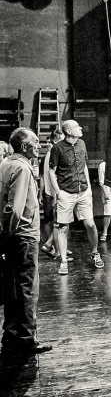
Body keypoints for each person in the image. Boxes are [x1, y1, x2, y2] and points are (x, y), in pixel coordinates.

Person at [0, 128, 52, 355]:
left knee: (13, 287)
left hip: (13, 235)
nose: (38, 146)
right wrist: (8, 234)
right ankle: (25, 338)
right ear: (24, 146)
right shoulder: (22, 168)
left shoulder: (6, 163)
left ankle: (11, 334)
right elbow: (15, 208)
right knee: (28, 288)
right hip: (23, 236)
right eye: (35, 142)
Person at [48, 120, 104, 275]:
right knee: (63, 228)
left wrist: (89, 187)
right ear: (68, 131)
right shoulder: (57, 148)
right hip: (66, 192)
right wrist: (58, 192)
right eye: (76, 127)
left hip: (83, 191)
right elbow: (52, 171)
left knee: (91, 224)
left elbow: (83, 165)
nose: (80, 128)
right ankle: (63, 261)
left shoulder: (82, 144)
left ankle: (95, 252)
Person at [39, 129, 64, 258]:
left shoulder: (50, 154)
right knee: (58, 223)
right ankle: (52, 247)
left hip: (50, 193)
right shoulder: (54, 153)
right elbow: (50, 176)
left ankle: (56, 248)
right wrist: (56, 195)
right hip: (53, 193)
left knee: (54, 222)